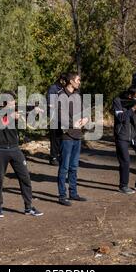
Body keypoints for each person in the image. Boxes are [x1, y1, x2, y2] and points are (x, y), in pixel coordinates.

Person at [0, 91, 43, 218]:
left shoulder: (13, 108)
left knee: (25, 178)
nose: (14, 104)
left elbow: (24, 108)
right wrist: (11, 116)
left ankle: (28, 207)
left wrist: (34, 109)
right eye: (12, 101)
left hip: (14, 148)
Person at [56, 72, 89, 206]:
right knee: (64, 166)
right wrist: (72, 124)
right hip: (66, 136)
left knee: (74, 166)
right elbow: (60, 116)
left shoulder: (77, 96)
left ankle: (73, 193)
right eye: (77, 80)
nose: (79, 82)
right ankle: (62, 195)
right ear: (70, 81)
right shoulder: (61, 96)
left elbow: (83, 111)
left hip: (77, 135)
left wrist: (86, 118)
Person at [46, 74, 66, 166]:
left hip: (64, 117)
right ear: (61, 79)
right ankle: (53, 157)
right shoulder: (53, 88)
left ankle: (60, 156)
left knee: (62, 137)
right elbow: (50, 103)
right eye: (65, 80)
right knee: (55, 138)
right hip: (55, 117)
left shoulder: (65, 88)